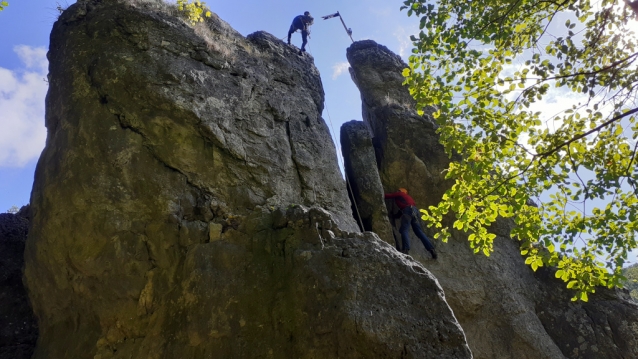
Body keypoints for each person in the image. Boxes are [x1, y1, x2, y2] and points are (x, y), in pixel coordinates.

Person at [384, 188, 437, 259]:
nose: (397, 191)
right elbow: (402, 211)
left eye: (398, 190)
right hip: (415, 211)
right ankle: (432, 250)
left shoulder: (401, 194)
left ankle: (405, 250)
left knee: (404, 230)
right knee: (419, 232)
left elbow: (390, 196)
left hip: (408, 210)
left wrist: (380, 194)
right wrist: (394, 216)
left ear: (401, 192)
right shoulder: (408, 199)